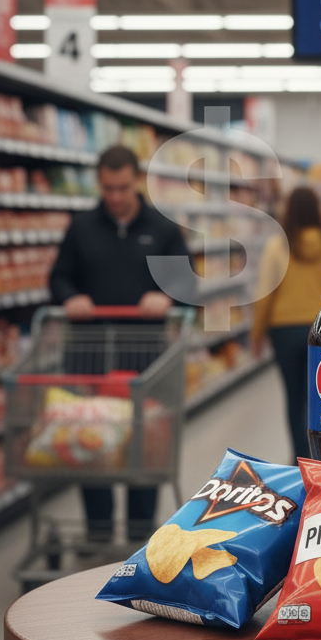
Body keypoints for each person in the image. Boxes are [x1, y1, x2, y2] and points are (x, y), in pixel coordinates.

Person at [48, 143, 192, 542]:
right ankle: (97, 533)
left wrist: (167, 296)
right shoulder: (81, 228)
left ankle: (139, 535)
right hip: (89, 356)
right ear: (100, 183)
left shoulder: (162, 228)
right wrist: (68, 297)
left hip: (145, 359)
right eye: (108, 188)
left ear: (136, 183)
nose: (114, 197)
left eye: (122, 188)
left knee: (143, 445)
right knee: (91, 445)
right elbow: (58, 277)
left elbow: (186, 283)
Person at [251, 187, 321, 462]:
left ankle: (299, 458)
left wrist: (256, 335)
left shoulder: (277, 246)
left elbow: (265, 295)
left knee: (294, 399)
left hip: (284, 332)